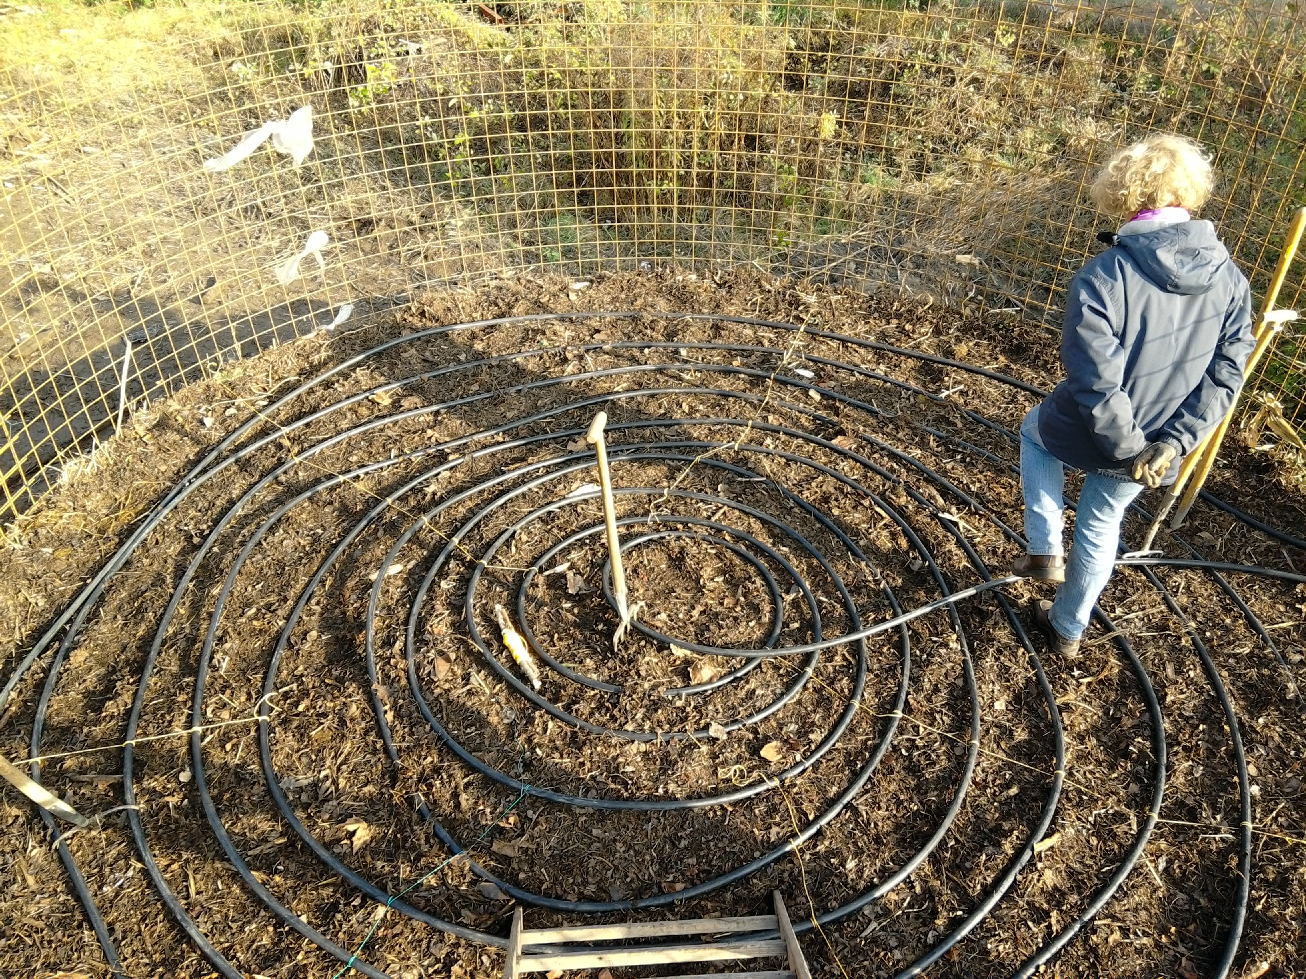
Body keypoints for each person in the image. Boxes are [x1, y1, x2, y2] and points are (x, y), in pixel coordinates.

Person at [1011, 133, 1255, 656]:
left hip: (1089, 429)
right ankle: (1068, 629)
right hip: (1155, 449)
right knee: (1101, 526)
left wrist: (1126, 444)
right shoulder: (1232, 279)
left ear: (1122, 194)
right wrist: (1170, 444)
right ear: (1190, 196)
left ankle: (1045, 548)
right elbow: (1228, 372)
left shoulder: (1106, 274)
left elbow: (1093, 376)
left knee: (1034, 435)